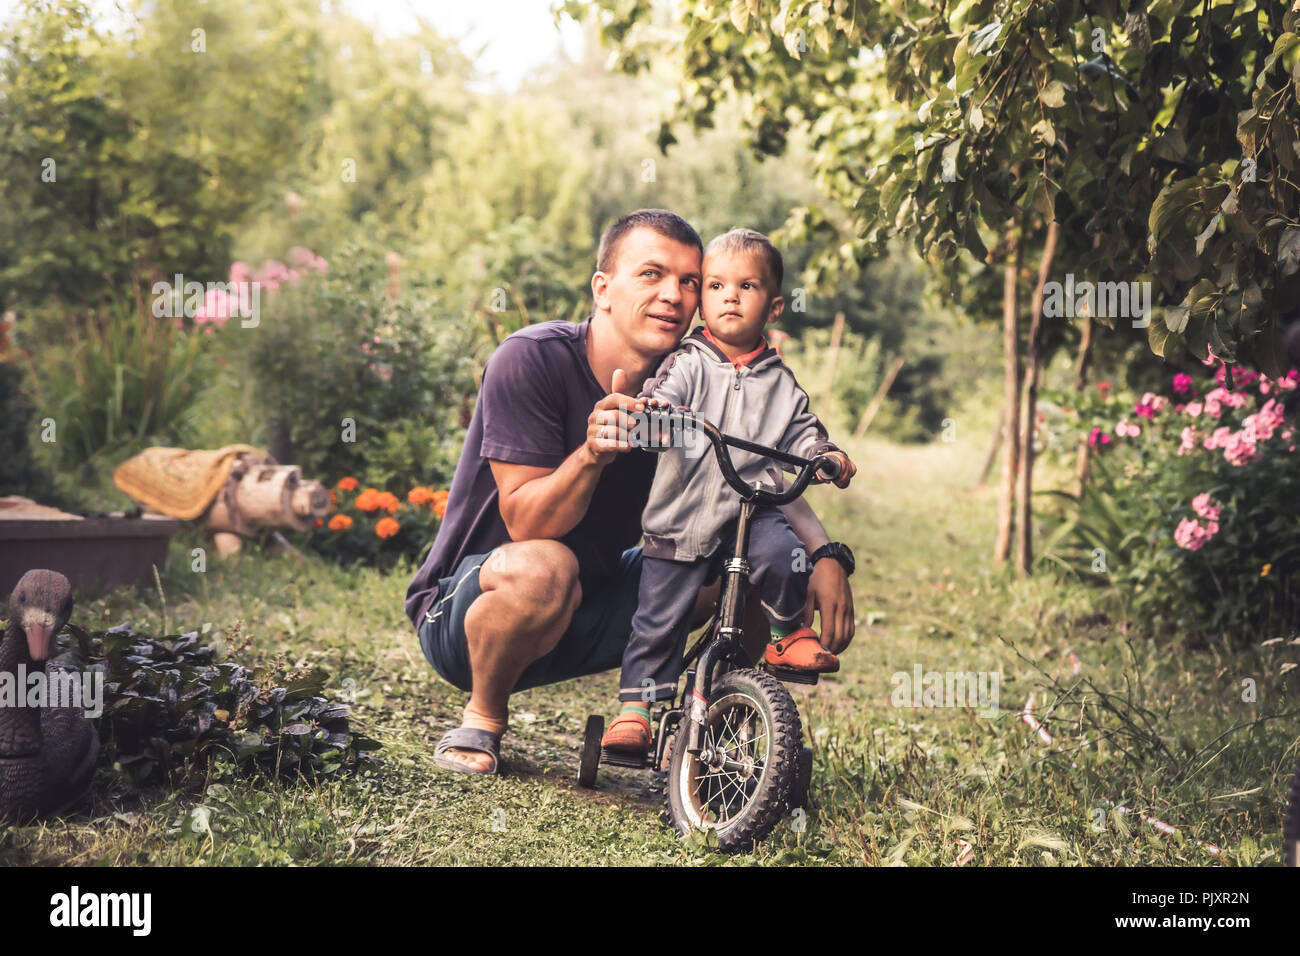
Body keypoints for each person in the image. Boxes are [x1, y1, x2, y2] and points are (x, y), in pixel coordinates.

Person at [404, 209, 857, 774]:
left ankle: (722, 735)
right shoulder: (532, 358)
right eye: (651, 274)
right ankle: (483, 718)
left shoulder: (699, 382)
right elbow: (525, 523)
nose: (673, 294)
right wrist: (594, 452)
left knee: (742, 564)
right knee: (547, 566)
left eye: (691, 281)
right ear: (603, 289)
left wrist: (821, 554)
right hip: (475, 616)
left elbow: (756, 474)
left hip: (601, 604)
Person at [600, 228, 857, 754]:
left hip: (752, 510)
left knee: (786, 558)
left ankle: (787, 635)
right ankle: (636, 710)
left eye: (747, 286)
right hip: (683, 513)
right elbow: (660, 403)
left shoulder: (780, 381)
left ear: (775, 305)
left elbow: (802, 432)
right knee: (659, 616)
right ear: (702, 302)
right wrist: (654, 417)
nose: (730, 297)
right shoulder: (689, 362)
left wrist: (824, 457)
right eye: (715, 286)